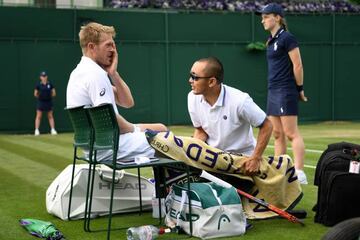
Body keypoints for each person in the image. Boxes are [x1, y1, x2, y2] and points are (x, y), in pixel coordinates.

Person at [66, 22, 167, 161]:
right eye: (108, 45)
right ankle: (168, 183)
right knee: (170, 142)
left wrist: (113, 74)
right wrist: (136, 128)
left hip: (95, 146)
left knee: (161, 128)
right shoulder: (95, 74)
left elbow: (127, 102)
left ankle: (161, 181)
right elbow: (111, 123)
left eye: (113, 44)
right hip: (109, 146)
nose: (113, 50)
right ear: (91, 47)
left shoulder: (80, 72)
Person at [187, 57, 273, 175]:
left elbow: (267, 125)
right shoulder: (192, 97)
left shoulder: (240, 101)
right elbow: (201, 131)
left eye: (195, 77)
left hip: (242, 162)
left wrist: (255, 158)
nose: (190, 80)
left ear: (211, 81)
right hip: (213, 160)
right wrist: (190, 151)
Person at [256, 3, 308, 184]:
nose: (262, 20)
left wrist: (299, 89)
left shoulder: (287, 38)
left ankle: (300, 172)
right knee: (277, 133)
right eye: (262, 17)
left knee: (291, 133)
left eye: (266, 16)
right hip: (273, 90)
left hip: (286, 89)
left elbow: (298, 65)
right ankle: (281, 170)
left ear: (277, 17)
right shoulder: (270, 41)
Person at [34, 71, 57, 136]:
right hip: (41, 102)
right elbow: (35, 94)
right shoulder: (38, 85)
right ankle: (36, 130)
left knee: (50, 116)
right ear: (40, 77)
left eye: (45, 76)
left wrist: (48, 97)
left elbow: (54, 93)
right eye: (42, 76)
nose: (44, 77)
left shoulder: (50, 84)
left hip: (48, 102)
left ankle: (53, 129)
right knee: (39, 116)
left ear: (46, 77)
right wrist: (41, 97)